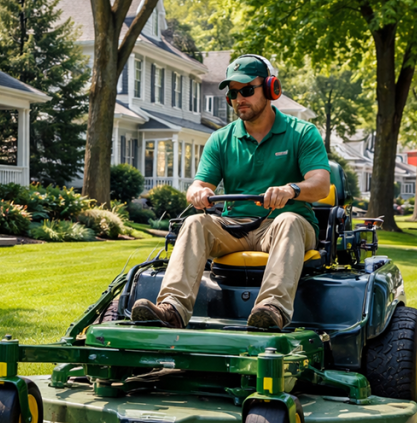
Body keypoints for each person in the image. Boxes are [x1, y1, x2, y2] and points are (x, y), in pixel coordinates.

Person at [131, 55, 331, 330]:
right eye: (233, 93)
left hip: (285, 225)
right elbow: (199, 185)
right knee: (194, 223)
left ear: (272, 89)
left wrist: (291, 189)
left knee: (288, 220)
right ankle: (172, 309)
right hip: (234, 227)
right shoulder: (220, 139)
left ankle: (271, 309)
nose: (239, 99)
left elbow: (320, 184)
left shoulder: (302, 133)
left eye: (247, 90)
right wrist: (198, 192)